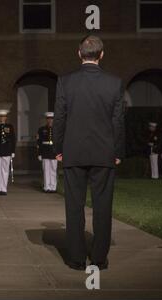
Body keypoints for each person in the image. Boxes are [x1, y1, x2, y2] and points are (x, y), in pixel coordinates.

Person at [53, 35, 125, 271]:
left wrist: (58, 148)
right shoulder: (114, 83)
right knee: (103, 207)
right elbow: (117, 121)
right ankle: (99, 258)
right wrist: (117, 151)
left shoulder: (66, 82)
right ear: (101, 55)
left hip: (74, 151)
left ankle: (75, 258)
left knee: (74, 207)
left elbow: (60, 117)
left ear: (79, 53)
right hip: (103, 152)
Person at [0, 110, 15, 195]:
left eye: (3, 116)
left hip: (7, 151)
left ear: (6, 118)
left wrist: (13, 151)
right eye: (0, 116)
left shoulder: (10, 127)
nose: (2, 118)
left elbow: (13, 139)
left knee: (5, 170)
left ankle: (4, 188)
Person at [37, 112, 58, 193]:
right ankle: (47, 187)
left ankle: (53, 187)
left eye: (51, 119)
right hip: (45, 152)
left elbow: (59, 141)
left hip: (53, 152)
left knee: (53, 169)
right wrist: (39, 153)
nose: (50, 120)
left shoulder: (57, 129)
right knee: (46, 170)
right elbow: (39, 142)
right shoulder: (41, 129)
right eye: (48, 119)